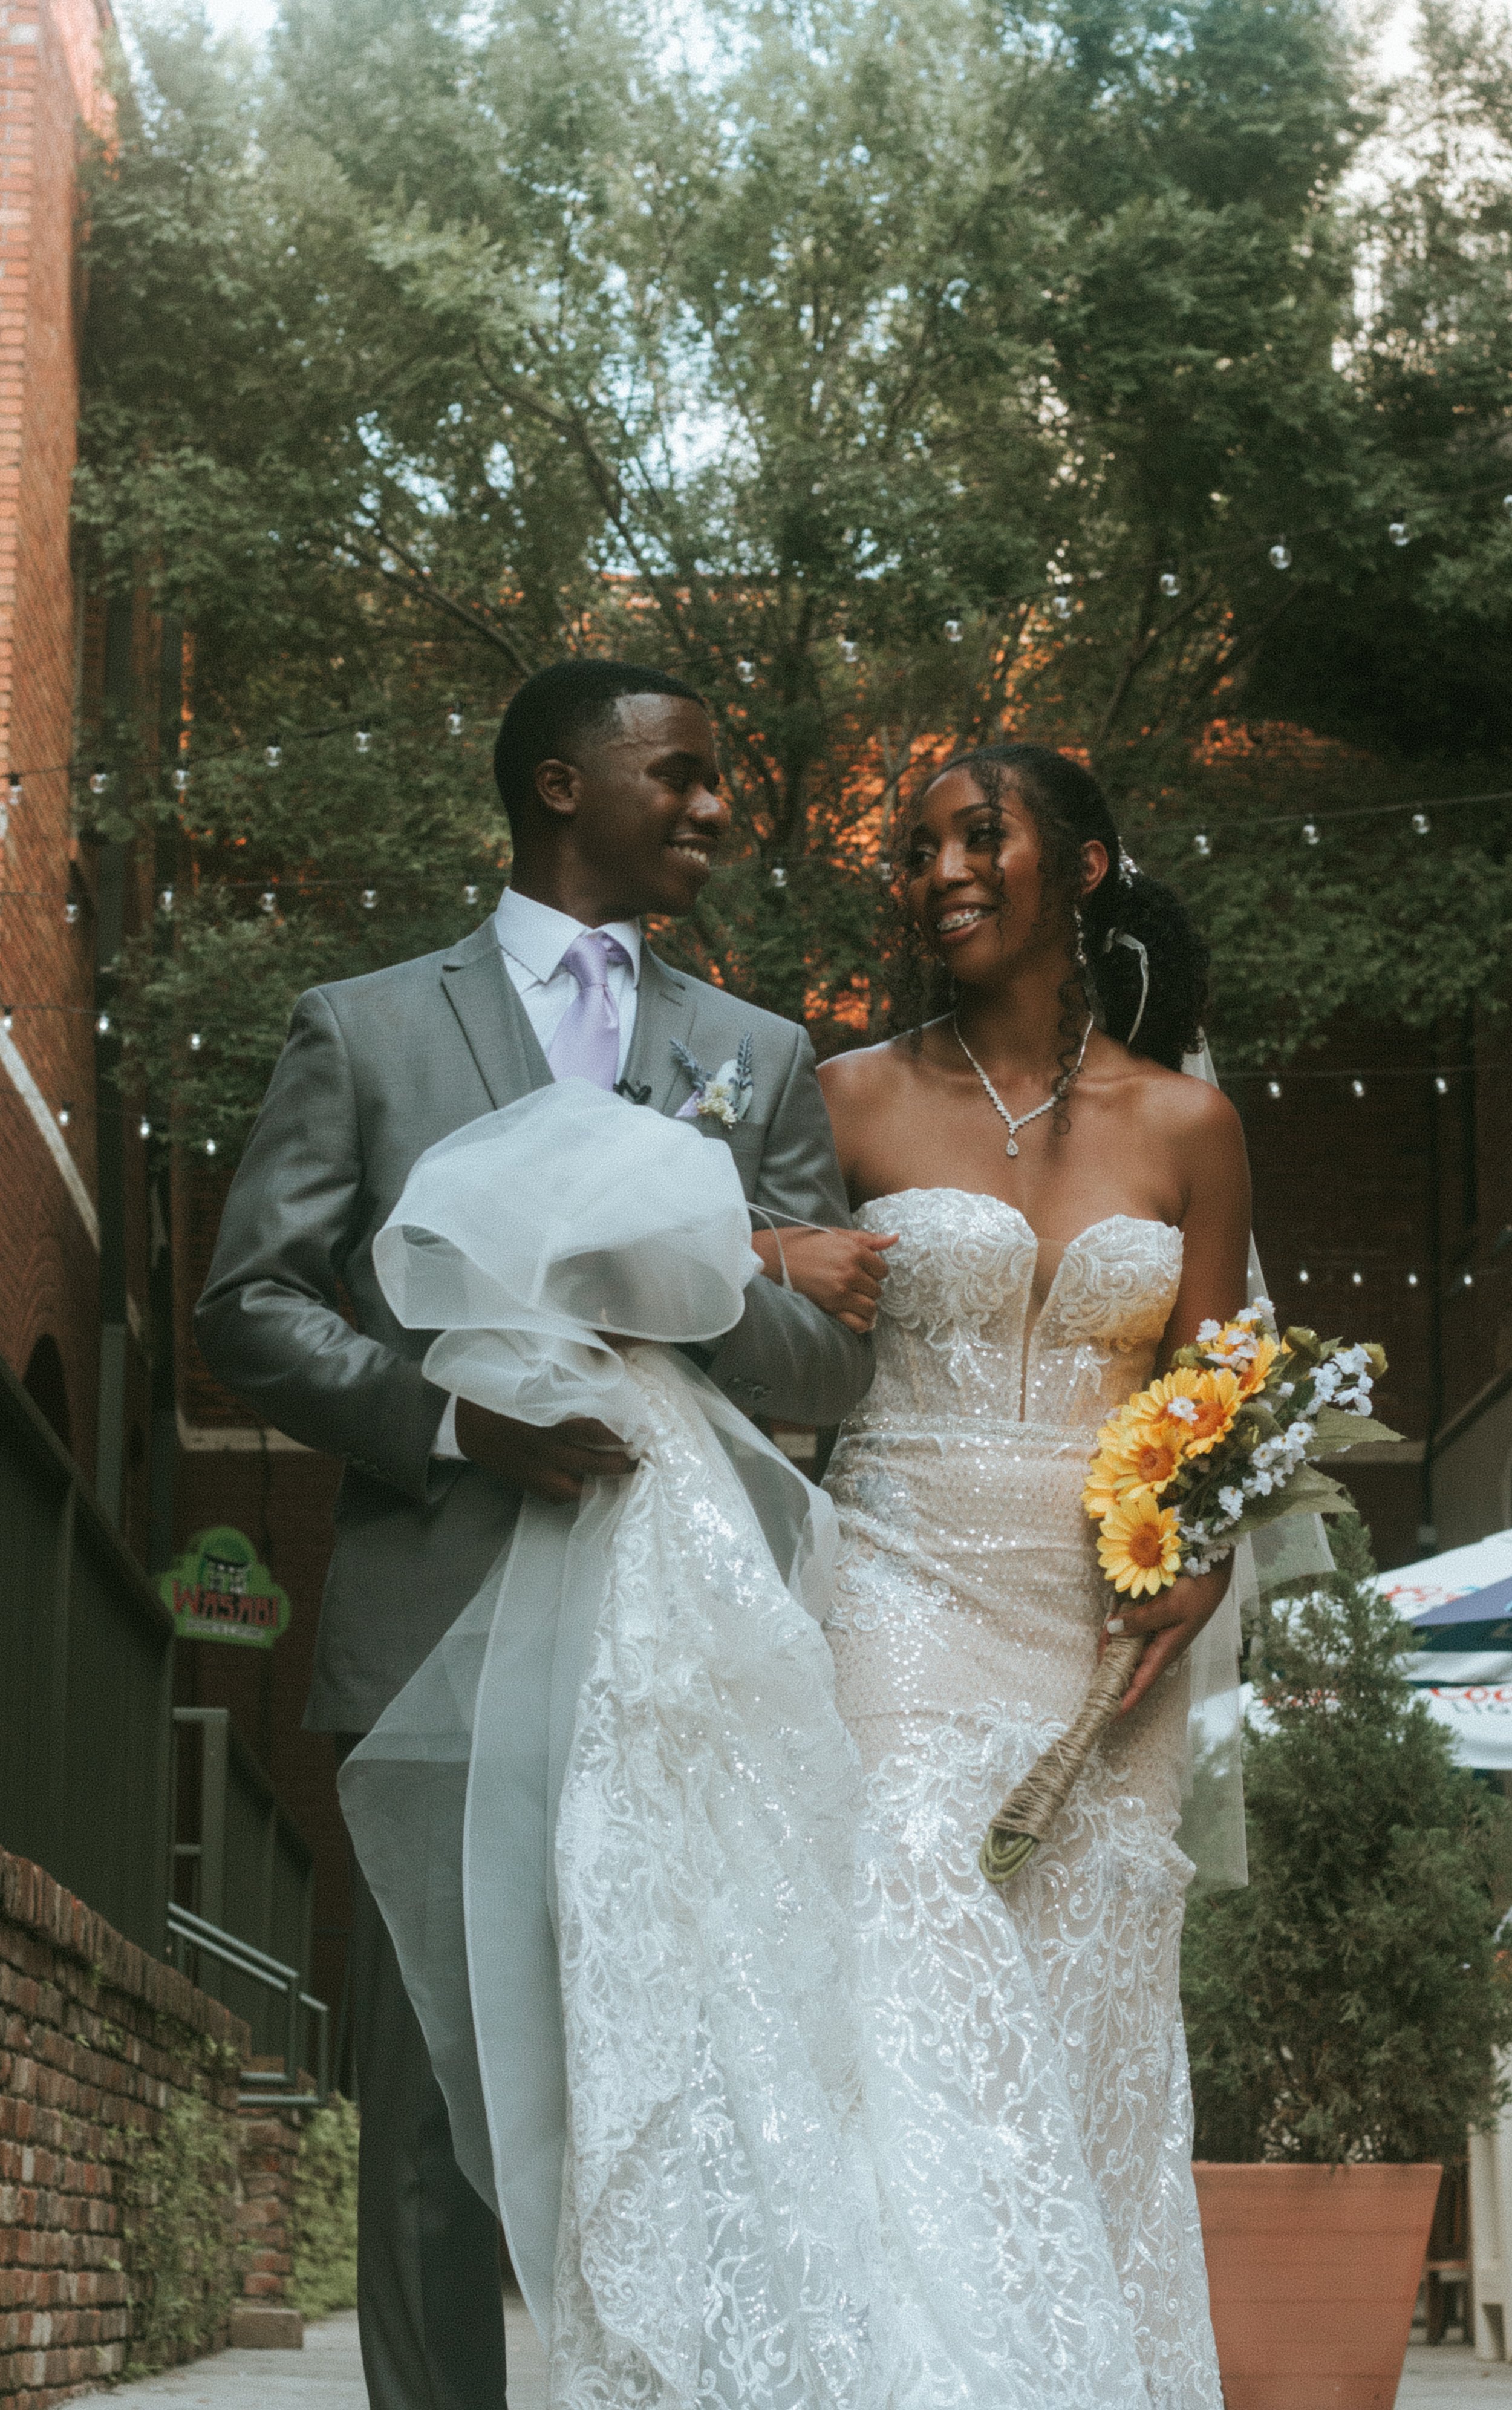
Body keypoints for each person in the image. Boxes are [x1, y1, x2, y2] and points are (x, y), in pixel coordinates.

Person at [194, 659, 876, 2410]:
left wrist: (692, 1269)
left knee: (685, 2079)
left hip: (680, 1637)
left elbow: (822, 1361)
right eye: (683, 774)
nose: (717, 806)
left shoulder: (756, 1054)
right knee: (427, 2108)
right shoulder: (365, 1027)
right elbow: (251, 1305)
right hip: (439, 1613)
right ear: (562, 784)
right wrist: (449, 1420)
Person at [804, 740, 1240, 2406]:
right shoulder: (845, 1096)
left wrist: (1194, 1555)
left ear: (1088, 866)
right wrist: (771, 1246)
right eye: (913, 853)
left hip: (1109, 1625)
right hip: (899, 1579)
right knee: (912, 1943)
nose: (937, 873)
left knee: (1086, 2024)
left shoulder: (1191, 1124)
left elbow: (1215, 1394)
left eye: (974, 837)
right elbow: (749, 1319)